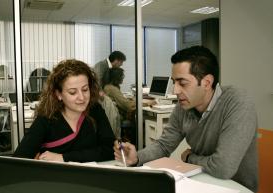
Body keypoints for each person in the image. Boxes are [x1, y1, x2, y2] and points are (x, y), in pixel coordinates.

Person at [114, 46, 258, 192]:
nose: (175, 91)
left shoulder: (238, 103)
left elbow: (223, 168)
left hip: (234, 188)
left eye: (182, 83)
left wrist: (190, 158)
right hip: (198, 184)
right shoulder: (183, 107)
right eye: (174, 82)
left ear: (207, 83)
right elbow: (164, 145)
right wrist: (136, 157)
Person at [14, 59, 115, 163]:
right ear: (59, 94)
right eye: (72, 92)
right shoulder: (46, 118)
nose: (81, 98)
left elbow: (110, 150)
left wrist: (64, 157)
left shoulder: (95, 110)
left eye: (85, 89)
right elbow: (19, 159)